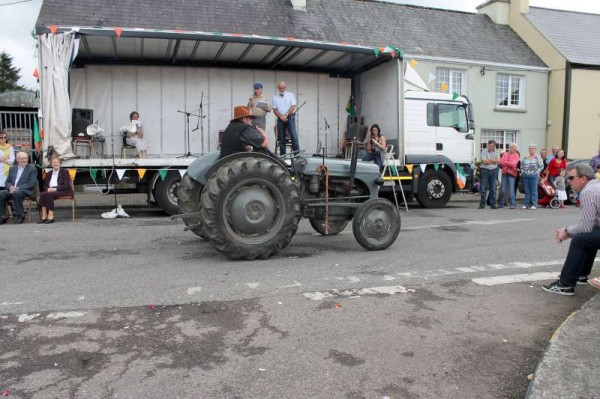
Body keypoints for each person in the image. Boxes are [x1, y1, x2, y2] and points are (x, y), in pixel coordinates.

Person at [542, 165, 600, 295]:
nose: (568, 181)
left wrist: (567, 231)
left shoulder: (588, 192)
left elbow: (585, 227)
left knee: (580, 239)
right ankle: (580, 274)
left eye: (571, 178)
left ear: (583, 179)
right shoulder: (596, 186)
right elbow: (592, 224)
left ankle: (566, 284)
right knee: (587, 237)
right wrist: (571, 231)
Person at [0, 151, 37, 224]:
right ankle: (2, 216)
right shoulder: (12, 168)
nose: (24, 160)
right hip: (12, 189)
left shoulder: (32, 169)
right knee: (1, 194)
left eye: (25, 158)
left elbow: (31, 183)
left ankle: (20, 215)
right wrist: (10, 187)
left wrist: (17, 188)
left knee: (16, 193)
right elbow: (7, 181)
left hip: (25, 190)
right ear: (17, 160)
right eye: (22, 158)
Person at [37, 156, 73, 224]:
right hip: (50, 191)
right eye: (54, 162)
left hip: (63, 191)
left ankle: (50, 216)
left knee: (48, 194)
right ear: (51, 164)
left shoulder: (65, 172)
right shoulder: (49, 173)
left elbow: (66, 185)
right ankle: (44, 216)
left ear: (60, 163)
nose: (56, 164)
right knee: (42, 194)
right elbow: (45, 185)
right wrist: (47, 189)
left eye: (57, 162)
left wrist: (55, 189)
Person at [272, 81, 300, 155]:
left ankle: (297, 156)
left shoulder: (290, 95)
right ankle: (283, 156)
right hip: (280, 118)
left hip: (290, 116)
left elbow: (293, 106)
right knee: (281, 138)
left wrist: (286, 114)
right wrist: (281, 116)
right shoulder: (275, 97)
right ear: (278, 88)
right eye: (280, 88)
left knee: (294, 136)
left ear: (285, 88)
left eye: (283, 88)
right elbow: (274, 109)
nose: (281, 89)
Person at [520, 143, 544, 210]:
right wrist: (523, 172)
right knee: (527, 191)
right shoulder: (525, 157)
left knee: (534, 191)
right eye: (529, 148)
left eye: (532, 148)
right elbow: (521, 165)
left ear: (535, 149)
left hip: (534, 176)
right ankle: (526, 204)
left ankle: (534, 204)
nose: (530, 149)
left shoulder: (538, 157)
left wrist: (536, 172)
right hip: (526, 176)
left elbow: (541, 166)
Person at [479, 140, 500, 209]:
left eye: (492, 146)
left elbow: (498, 161)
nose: (490, 147)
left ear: (494, 146)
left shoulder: (497, 152)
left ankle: (493, 204)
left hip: (493, 171)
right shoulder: (484, 151)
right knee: (483, 188)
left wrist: (489, 160)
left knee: (493, 189)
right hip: (484, 170)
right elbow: (484, 161)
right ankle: (482, 204)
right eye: (489, 146)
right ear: (487, 145)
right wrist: (493, 160)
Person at [498, 143, 519, 209]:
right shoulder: (505, 154)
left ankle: (512, 204)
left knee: (511, 189)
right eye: (513, 147)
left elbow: (514, 164)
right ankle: (501, 204)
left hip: (512, 174)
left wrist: (506, 162)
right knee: (503, 189)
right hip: (504, 173)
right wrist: (508, 162)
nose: (515, 149)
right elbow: (501, 162)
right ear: (510, 148)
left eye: (515, 148)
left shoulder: (516, 155)